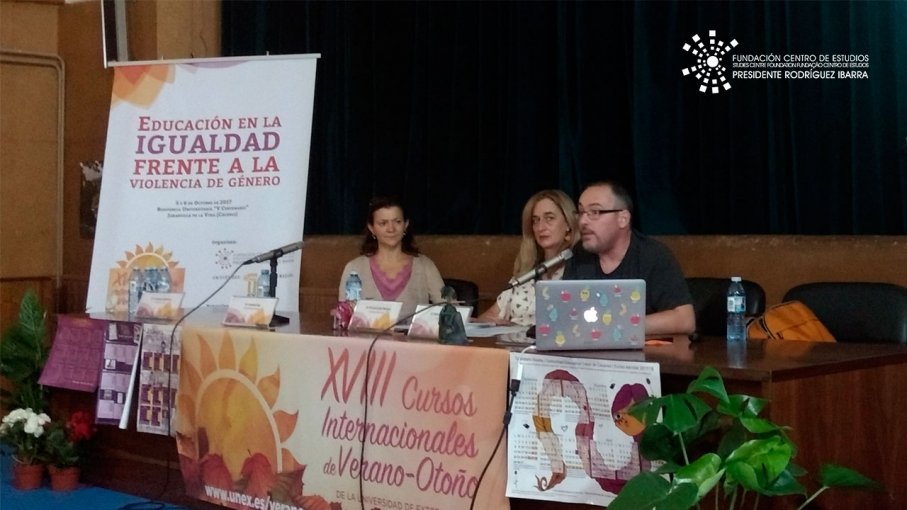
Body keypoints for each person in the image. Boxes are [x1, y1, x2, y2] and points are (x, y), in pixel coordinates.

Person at [563, 181, 695, 335]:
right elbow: (567, 315)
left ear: (623, 219)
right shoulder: (578, 255)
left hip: (642, 354)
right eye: (581, 212)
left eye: (595, 212)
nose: (583, 221)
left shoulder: (652, 255)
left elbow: (685, 320)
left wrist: (616, 323)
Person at [478, 189, 579, 326]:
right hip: (511, 345)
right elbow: (486, 318)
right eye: (535, 221)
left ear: (568, 224)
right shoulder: (526, 276)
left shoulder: (580, 272)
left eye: (549, 218)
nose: (540, 227)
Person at [338, 196, 444, 319]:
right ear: (371, 228)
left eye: (397, 222)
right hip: (366, 338)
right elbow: (344, 314)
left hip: (413, 338)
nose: (391, 229)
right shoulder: (354, 268)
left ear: (406, 225)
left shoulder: (425, 265)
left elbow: (448, 308)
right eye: (383, 223)